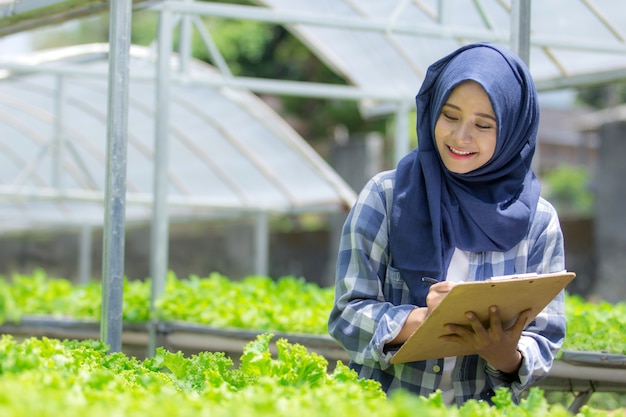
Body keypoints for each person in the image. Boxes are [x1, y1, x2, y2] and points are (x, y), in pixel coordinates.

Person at [328, 42, 566, 406]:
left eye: (483, 125)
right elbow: (347, 314)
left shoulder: (538, 222)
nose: (460, 137)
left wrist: (503, 353)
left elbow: (544, 337)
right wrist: (423, 320)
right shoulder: (386, 196)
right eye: (450, 116)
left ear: (513, 130)